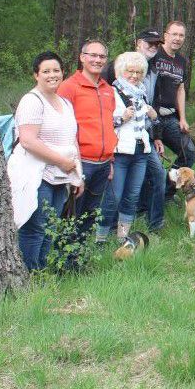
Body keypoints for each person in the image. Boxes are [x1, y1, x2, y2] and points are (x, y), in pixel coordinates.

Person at [8, 52, 81, 270]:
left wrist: (79, 174)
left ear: (62, 73)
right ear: (36, 75)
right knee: (35, 228)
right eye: (46, 71)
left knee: (50, 227)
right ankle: (29, 276)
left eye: (56, 70)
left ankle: (41, 273)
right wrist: (60, 161)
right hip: (37, 175)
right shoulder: (32, 101)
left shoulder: (66, 103)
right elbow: (28, 140)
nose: (52, 75)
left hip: (62, 175)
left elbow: (72, 140)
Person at [105, 28, 168, 233]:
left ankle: (153, 224)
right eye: (149, 43)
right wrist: (120, 118)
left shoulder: (150, 76)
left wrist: (156, 134)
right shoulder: (114, 78)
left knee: (156, 177)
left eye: (157, 44)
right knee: (117, 193)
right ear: (138, 43)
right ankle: (105, 233)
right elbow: (104, 115)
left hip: (144, 142)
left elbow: (154, 107)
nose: (153, 47)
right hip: (120, 147)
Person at [58, 39, 117, 242]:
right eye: (93, 55)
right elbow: (63, 128)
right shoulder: (68, 87)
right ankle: (63, 262)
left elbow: (108, 126)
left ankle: (79, 258)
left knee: (90, 214)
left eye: (102, 57)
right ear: (82, 57)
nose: (97, 60)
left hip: (102, 164)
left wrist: (110, 161)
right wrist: (73, 164)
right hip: (80, 162)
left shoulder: (108, 89)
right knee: (71, 213)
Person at [101, 52, 158, 243]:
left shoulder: (141, 93)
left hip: (141, 151)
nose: (134, 76)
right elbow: (103, 123)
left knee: (132, 196)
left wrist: (153, 115)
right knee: (114, 196)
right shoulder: (111, 92)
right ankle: (100, 237)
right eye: (130, 72)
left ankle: (122, 237)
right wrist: (121, 118)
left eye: (138, 72)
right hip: (120, 153)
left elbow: (146, 124)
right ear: (120, 72)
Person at [149, 21, 195, 195]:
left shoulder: (182, 62)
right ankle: (144, 203)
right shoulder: (154, 55)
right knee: (150, 163)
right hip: (151, 117)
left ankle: (167, 193)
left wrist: (183, 118)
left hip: (170, 118)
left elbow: (180, 88)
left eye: (181, 35)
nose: (177, 38)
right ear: (166, 35)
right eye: (174, 34)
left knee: (189, 153)